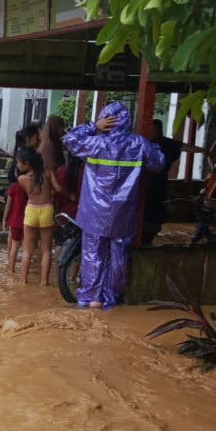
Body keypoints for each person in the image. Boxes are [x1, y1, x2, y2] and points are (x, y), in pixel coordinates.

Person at [63, 101, 165, 309]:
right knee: (119, 255)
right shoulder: (139, 144)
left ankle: (92, 299)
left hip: (95, 213)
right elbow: (159, 163)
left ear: (105, 120)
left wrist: (93, 126)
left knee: (93, 255)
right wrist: (153, 145)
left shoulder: (96, 143)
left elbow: (69, 139)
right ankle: (112, 296)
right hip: (124, 213)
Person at [16, 145, 62, 286]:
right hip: (47, 209)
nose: (17, 164)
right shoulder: (47, 173)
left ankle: (23, 281)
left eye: (19, 162)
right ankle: (44, 282)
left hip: (31, 210)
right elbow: (59, 189)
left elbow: (27, 190)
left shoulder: (21, 179)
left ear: (26, 164)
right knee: (46, 250)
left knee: (28, 251)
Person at [142, 120, 185, 245]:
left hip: (158, 184)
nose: (152, 133)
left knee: (154, 214)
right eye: (151, 130)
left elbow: (184, 147)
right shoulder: (143, 142)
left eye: (155, 130)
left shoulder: (166, 144)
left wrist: (206, 152)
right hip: (146, 183)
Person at [1, 176, 28, 274]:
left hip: (15, 221)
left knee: (14, 247)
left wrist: (4, 219)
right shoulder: (30, 185)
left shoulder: (13, 187)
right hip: (28, 221)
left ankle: (10, 270)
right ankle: (24, 275)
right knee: (27, 250)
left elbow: (8, 205)